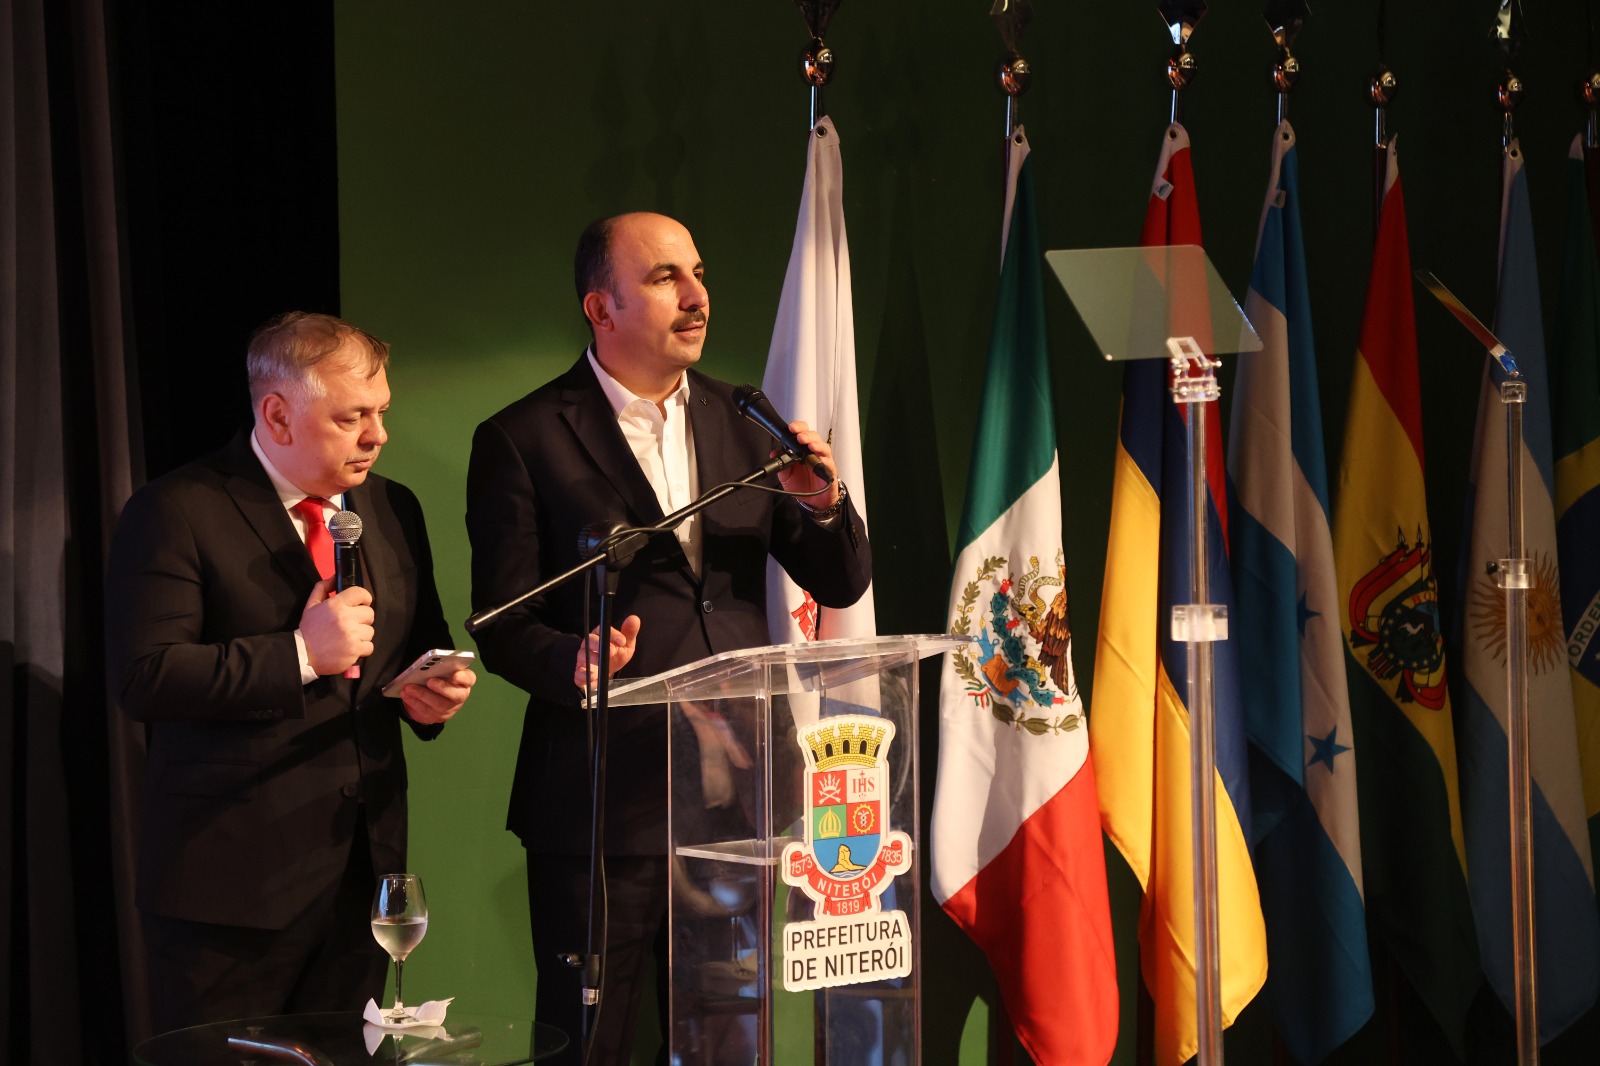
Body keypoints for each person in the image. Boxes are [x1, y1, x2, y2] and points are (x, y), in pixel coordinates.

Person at [465, 212, 872, 1062]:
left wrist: (824, 503)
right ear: (600, 307)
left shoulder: (747, 421)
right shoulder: (523, 437)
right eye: (664, 278)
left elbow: (839, 583)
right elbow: (503, 623)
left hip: (734, 798)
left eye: (698, 274)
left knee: (727, 1039)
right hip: (600, 802)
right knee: (592, 1043)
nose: (696, 297)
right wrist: (574, 661)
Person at [105, 312, 476, 1033]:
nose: (378, 435)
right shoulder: (176, 509)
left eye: (381, 412)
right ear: (277, 415)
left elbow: (411, 648)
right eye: (352, 417)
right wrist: (301, 654)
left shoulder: (391, 505)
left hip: (361, 881)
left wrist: (427, 695)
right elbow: (145, 676)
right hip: (229, 893)